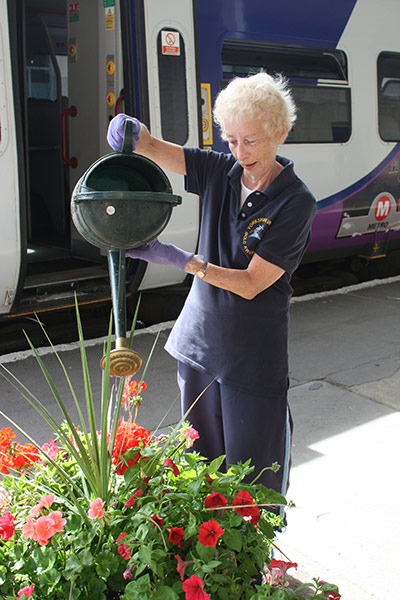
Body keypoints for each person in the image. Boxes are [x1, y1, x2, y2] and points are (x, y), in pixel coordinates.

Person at [107, 72, 316, 503]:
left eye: (252, 141)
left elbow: (254, 283)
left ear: (280, 131)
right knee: (199, 474)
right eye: (232, 140)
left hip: (251, 358)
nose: (241, 153)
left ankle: (256, 568)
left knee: (254, 481)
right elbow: (151, 148)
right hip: (198, 347)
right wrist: (131, 132)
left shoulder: (295, 201)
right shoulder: (220, 170)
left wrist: (185, 261)